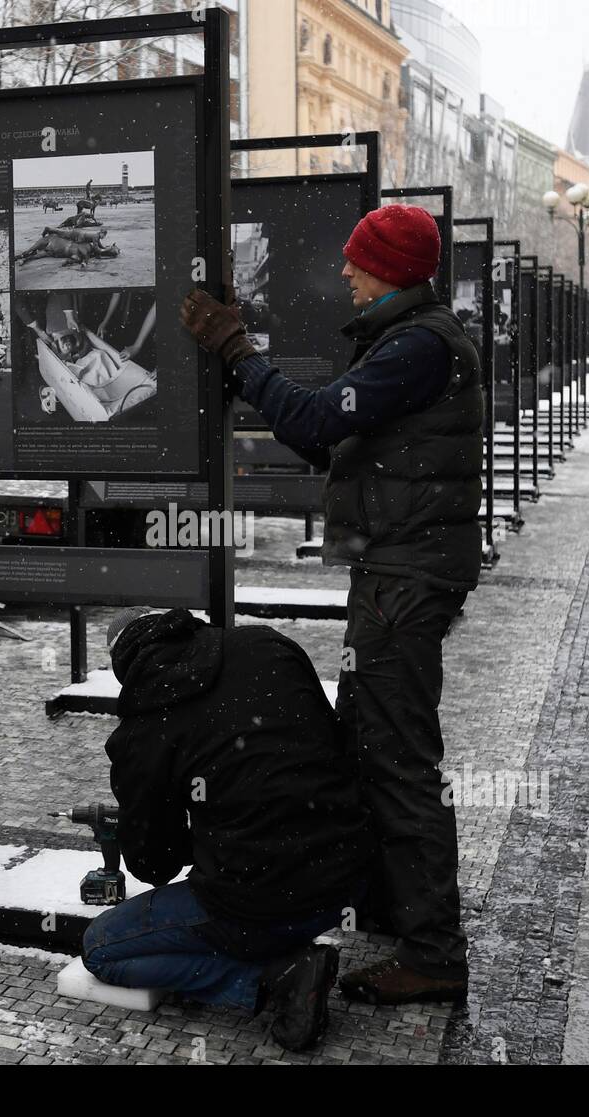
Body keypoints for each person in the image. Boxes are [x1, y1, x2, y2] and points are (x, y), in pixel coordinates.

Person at [180, 203, 483, 1006]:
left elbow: (319, 416)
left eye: (356, 261)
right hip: (398, 572)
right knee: (370, 743)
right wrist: (251, 375)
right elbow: (327, 436)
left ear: (387, 267)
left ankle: (433, 951)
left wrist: (238, 351)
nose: (344, 272)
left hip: (403, 578)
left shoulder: (419, 345)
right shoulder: (411, 340)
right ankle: (394, 907)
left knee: (397, 759)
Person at [82, 609, 371, 1051]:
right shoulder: (269, 646)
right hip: (347, 882)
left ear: (124, 666)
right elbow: (321, 744)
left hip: (254, 905)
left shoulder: (142, 731)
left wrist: (172, 819)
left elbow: (154, 866)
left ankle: (272, 979)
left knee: (101, 948)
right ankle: (281, 952)